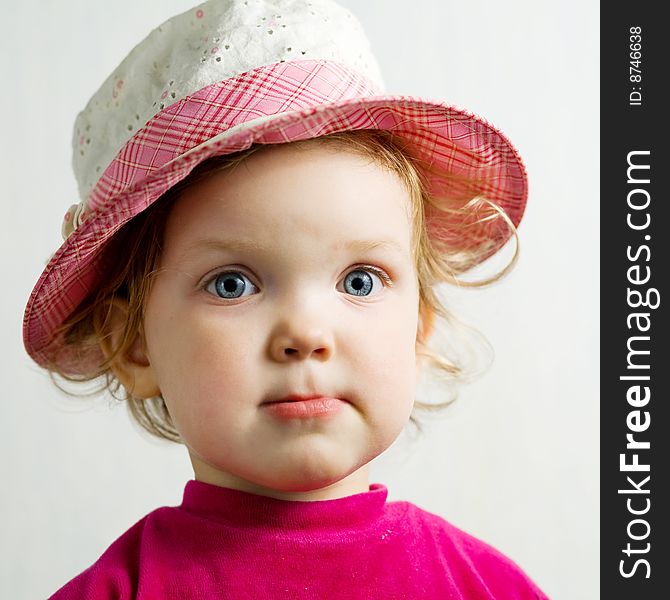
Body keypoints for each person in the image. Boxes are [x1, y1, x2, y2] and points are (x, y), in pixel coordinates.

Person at [24, 0, 547, 597]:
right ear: (135, 346)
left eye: (360, 281)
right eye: (233, 284)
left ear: (419, 330)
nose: (306, 332)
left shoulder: (484, 586)